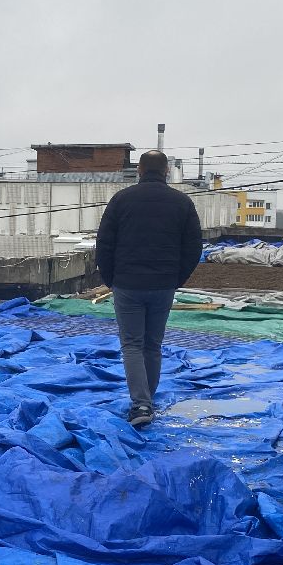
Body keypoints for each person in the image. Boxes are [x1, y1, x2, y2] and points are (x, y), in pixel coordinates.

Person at [94, 149, 203, 427]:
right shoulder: (182, 202)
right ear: (166, 171)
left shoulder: (121, 200)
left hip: (127, 284)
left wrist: (111, 278)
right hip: (163, 284)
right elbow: (193, 247)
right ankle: (147, 402)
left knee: (132, 345)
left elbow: (104, 243)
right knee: (153, 345)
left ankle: (141, 404)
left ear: (139, 170)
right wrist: (176, 279)